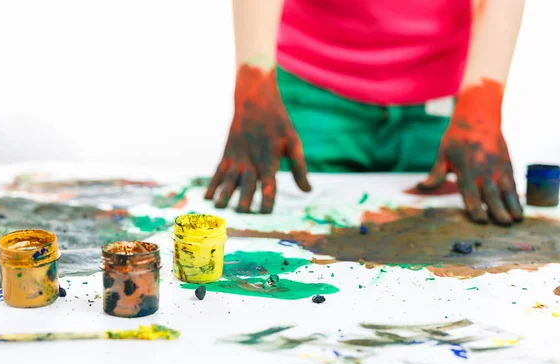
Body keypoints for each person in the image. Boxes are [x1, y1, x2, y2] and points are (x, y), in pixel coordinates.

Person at [205, 0, 525, 226]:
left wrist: (482, 102)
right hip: (311, 87)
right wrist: (253, 80)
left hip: (447, 96)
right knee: (284, 229)